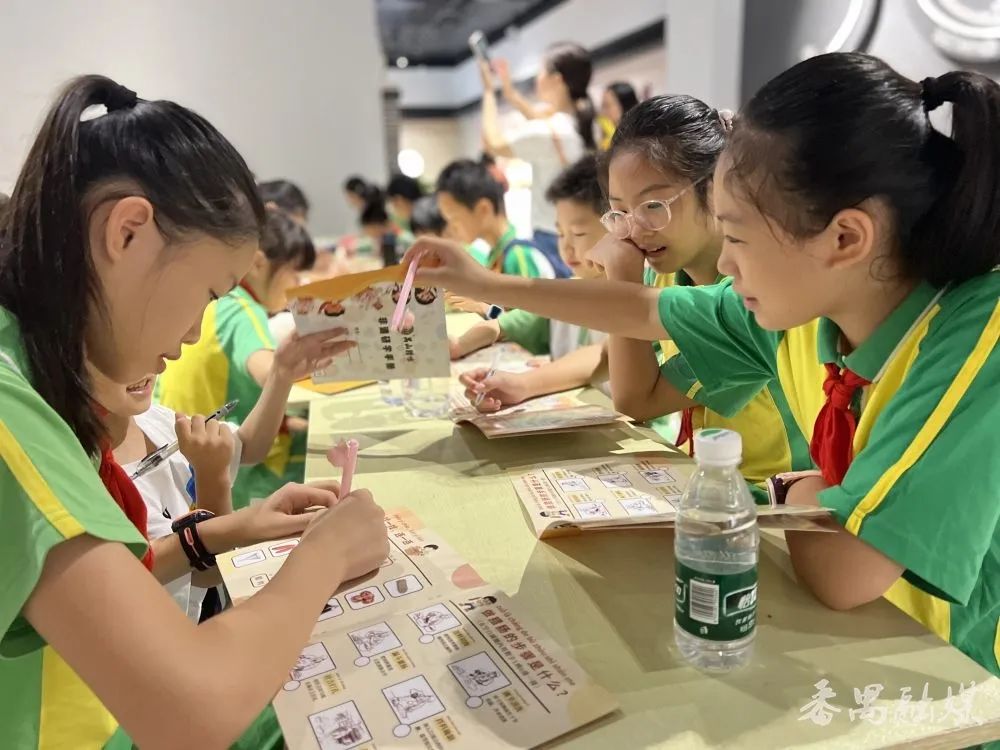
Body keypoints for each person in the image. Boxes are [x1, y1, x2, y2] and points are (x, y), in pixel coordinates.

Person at [404, 52, 1000, 678]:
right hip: (865, 637)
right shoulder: (800, 312)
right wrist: (487, 281)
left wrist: (790, 487)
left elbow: (845, 572)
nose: (729, 264)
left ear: (845, 238)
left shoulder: (973, 332)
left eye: (737, 237)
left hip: (959, 672)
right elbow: (638, 310)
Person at [0, 74, 388, 749]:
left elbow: (84, 579)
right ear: (127, 232)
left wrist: (219, 531)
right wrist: (325, 556)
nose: (188, 337)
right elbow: (192, 711)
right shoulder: (11, 402)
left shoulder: (31, 364)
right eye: (209, 292)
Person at [598, 94, 802, 498]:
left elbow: (636, 398)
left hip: (770, 502)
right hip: (712, 481)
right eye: (619, 211)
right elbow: (622, 361)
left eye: (653, 205)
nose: (634, 229)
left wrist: (621, 282)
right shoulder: (671, 275)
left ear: (717, 190)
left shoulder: (749, 295)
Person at [157, 207, 345, 508]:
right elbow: (265, 369)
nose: (297, 282)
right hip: (233, 476)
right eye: (293, 272)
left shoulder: (218, 304)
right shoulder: (241, 307)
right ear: (257, 263)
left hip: (189, 459)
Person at [453, 156, 610, 410]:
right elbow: (511, 321)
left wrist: (532, 381)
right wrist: (460, 344)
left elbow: (603, 355)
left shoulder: (520, 255)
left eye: (578, 234)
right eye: (560, 233)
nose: (566, 246)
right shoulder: (569, 288)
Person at [481, 43, 595, 275]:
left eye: (541, 71)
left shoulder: (548, 132)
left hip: (552, 239)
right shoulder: (582, 122)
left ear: (557, 79)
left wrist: (488, 92)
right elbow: (538, 116)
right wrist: (510, 93)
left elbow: (492, 144)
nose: (538, 78)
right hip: (578, 235)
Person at [436, 159, 558, 280]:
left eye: (454, 218)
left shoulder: (518, 255)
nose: (451, 228)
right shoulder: (496, 256)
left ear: (483, 210)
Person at [598, 82, 640, 150]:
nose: (603, 112)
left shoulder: (637, 139)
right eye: (602, 106)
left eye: (607, 106)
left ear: (625, 106)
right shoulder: (605, 137)